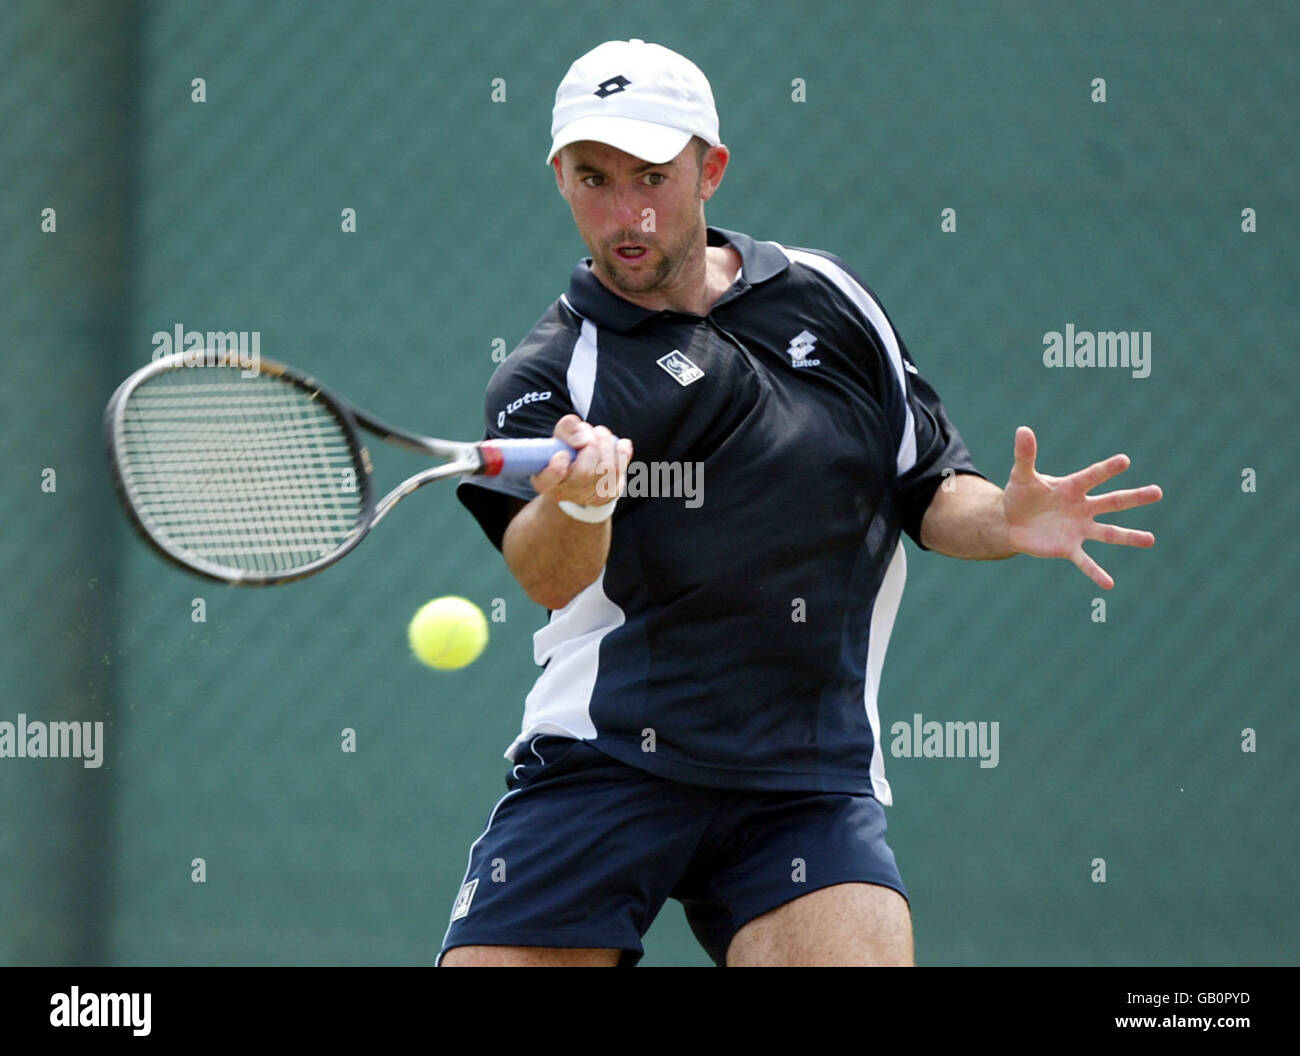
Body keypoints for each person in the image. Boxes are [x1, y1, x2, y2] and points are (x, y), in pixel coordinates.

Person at [439, 39, 1161, 967]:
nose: (627, 212)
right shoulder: (548, 375)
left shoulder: (831, 301)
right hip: (605, 758)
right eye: (594, 179)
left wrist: (1007, 521)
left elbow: (930, 485)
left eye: (654, 176)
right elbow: (542, 571)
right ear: (560, 178)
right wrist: (582, 505)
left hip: (802, 775)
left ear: (712, 169)